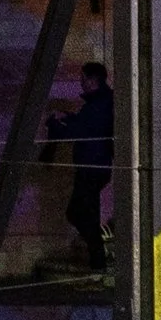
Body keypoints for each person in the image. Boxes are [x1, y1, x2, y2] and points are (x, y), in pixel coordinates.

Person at [46, 57, 115, 271]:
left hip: (91, 168)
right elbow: (85, 125)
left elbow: (79, 131)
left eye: (83, 79)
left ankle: (98, 259)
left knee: (77, 213)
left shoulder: (97, 107)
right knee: (86, 213)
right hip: (97, 166)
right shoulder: (101, 103)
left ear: (91, 80)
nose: (81, 83)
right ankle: (98, 261)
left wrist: (55, 125)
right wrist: (69, 117)